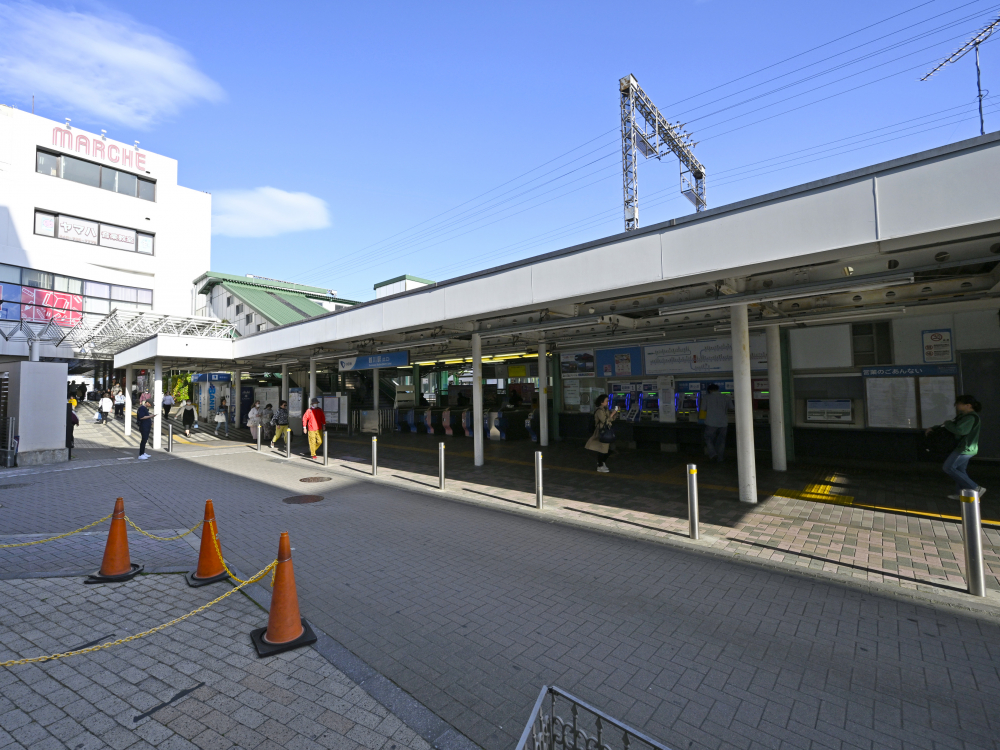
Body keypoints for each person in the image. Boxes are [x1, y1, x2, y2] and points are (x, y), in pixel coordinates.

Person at [926, 395, 984, 500]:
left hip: (964, 449)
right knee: (960, 471)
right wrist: (935, 428)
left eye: (958, 403)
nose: (956, 405)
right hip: (965, 448)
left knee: (948, 467)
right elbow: (953, 426)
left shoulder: (970, 417)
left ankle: (975, 487)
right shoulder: (964, 416)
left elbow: (960, 430)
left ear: (968, 405)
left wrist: (947, 423)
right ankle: (961, 494)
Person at [584, 393, 619, 473]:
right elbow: (605, 421)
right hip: (602, 431)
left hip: (607, 430)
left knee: (611, 448)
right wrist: (613, 413)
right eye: (606, 401)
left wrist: (615, 413)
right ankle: (600, 465)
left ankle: (601, 462)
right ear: (601, 402)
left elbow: (611, 419)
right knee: (603, 449)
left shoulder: (605, 409)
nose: (608, 402)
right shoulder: (599, 411)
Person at [700, 384, 729, 462]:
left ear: (710, 390)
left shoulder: (706, 397)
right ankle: (720, 458)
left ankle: (713, 454)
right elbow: (732, 407)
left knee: (708, 438)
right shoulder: (726, 397)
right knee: (721, 441)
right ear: (718, 389)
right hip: (723, 423)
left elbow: (703, 409)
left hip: (711, 422)